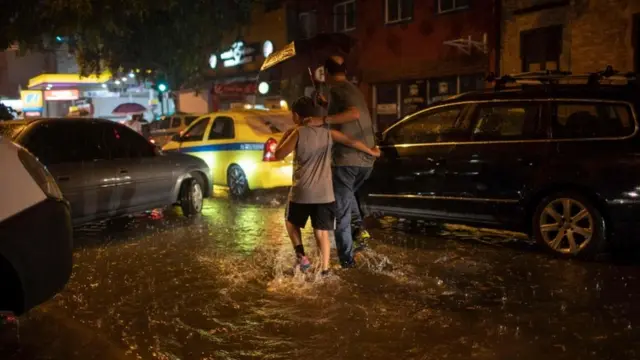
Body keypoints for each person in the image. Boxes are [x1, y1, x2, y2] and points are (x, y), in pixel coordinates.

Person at [274, 96, 380, 276]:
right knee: (321, 231)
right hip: (325, 194)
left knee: (291, 221)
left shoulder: (297, 133)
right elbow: (350, 141)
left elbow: (278, 154)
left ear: (297, 116)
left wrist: (285, 137)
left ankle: (302, 256)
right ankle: (325, 269)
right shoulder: (328, 132)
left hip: (302, 192)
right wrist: (371, 151)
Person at [306, 56, 377, 268]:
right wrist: (326, 105)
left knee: (341, 212)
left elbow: (353, 113)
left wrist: (324, 119)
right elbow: (351, 109)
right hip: (366, 161)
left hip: (348, 159)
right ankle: (360, 233)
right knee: (347, 196)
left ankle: (347, 261)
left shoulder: (337, 89)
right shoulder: (351, 89)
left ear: (326, 73)